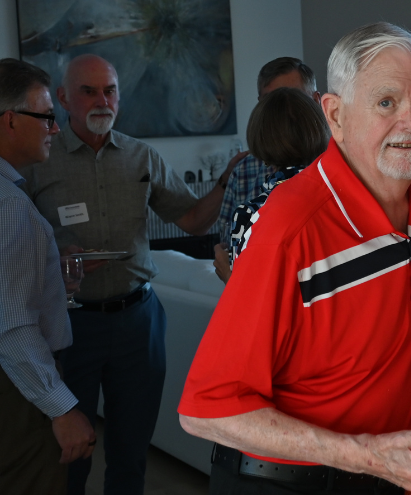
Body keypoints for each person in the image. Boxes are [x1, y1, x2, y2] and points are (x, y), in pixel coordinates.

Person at [178, 22, 411, 495]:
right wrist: (364, 455)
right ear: (334, 114)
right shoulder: (293, 225)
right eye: (386, 102)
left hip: (386, 476)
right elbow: (205, 408)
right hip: (294, 482)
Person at [19, 54, 235, 495]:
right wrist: (55, 257)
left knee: (130, 452)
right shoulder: (37, 160)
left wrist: (226, 181)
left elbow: (192, 220)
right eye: (88, 91)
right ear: (63, 98)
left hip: (139, 322)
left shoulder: (141, 156)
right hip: (69, 325)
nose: (103, 100)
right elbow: (16, 246)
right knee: (69, 456)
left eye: (110, 90)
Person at [0, 58, 95, 494]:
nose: (55, 129)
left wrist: (45, 277)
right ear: (10, 120)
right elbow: (13, 325)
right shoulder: (9, 205)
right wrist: (61, 409)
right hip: (18, 391)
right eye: (46, 117)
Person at [212, 87, 330, 283]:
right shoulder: (345, 197)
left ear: (260, 140)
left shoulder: (251, 215)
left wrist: (228, 275)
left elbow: (252, 299)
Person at [217, 57, 321, 243]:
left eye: (293, 99)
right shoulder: (242, 172)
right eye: (270, 102)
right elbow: (226, 244)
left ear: (315, 101)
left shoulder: (347, 168)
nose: (278, 114)